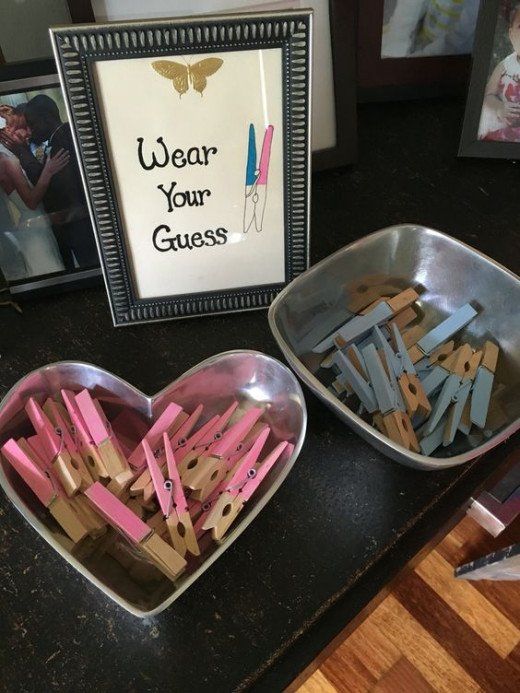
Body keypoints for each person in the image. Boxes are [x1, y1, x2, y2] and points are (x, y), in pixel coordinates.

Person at [2, 94, 99, 270]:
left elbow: (58, 189)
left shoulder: (63, 138)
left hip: (79, 226)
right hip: (60, 228)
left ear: (45, 119)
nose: (29, 133)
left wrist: (23, 152)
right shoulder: (57, 138)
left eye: (31, 125)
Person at [0, 105, 68, 280]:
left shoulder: (9, 158)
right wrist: (48, 170)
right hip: (34, 231)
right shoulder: (8, 162)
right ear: (7, 131)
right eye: (24, 127)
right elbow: (31, 202)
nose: (29, 132)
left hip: (37, 227)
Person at [479, 4, 520, 142]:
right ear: (511, 34)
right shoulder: (505, 66)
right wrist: (499, 107)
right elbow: (488, 95)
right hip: (502, 127)